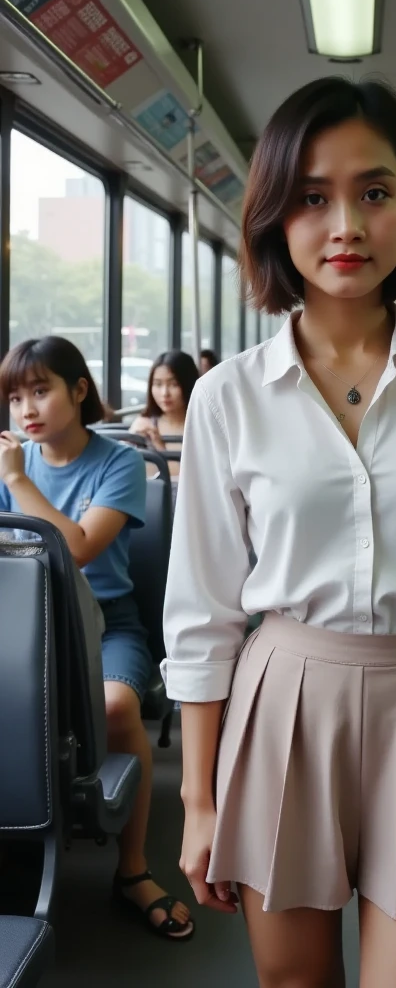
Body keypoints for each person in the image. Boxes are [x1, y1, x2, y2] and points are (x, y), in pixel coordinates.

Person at [163, 76, 396, 987]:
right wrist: (199, 797)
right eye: (314, 198)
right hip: (283, 701)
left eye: (375, 192)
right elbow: (203, 614)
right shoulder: (228, 397)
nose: (347, 226)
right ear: (274, 220)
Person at [0, 336, 194, 941]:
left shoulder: (115, 463)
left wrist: (17, 482)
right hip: (18, 624)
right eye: (14, 398)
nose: (26, 409)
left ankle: (132, 869)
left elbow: (79, 549)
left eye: (40, 390)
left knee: (114, 707)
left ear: (78, 391)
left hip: (106, 622)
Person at [130, 350, 199, 479]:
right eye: (157, 384)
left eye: (173, 384)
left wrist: (159, 447)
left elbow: (189, 480)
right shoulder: (144, 425)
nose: (164, 393)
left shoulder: (201, 426)